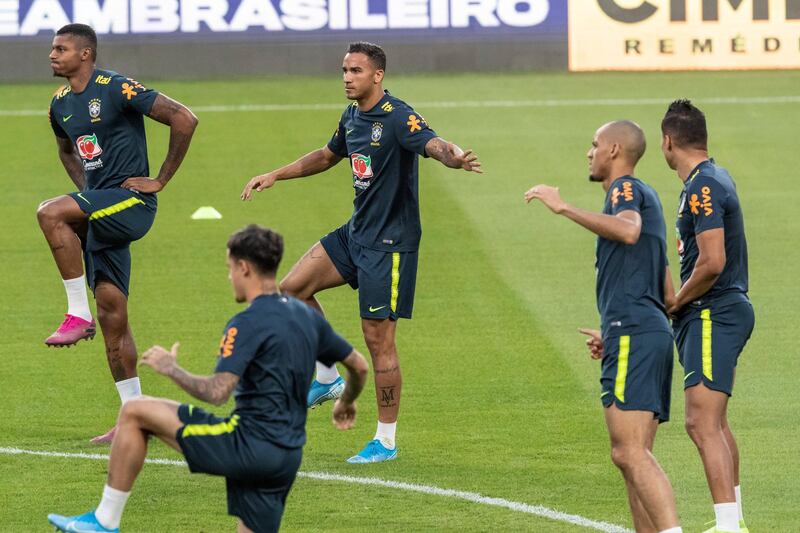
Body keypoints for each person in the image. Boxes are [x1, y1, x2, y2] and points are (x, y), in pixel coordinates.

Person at [240, 42, 482, 463]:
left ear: (377, 76)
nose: (347, 77)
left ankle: (385, 440)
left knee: (379, 342)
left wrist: (455, 158)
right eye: (344, 70)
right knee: (292, 288)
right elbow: (328, 155)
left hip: (389, 244)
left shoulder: (398, 117)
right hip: (357, 233)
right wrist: (275, 174)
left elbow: (434, 143)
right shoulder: (352, 115)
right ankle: (328, 376)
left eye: (355, 70)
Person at [47, 225, 370, 533]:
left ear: (244, 268)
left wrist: (171, 368)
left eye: (230, 267)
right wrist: (345, 402)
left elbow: (217, 392)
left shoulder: (246, 323)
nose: (229, 276)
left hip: (247, 445)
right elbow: (359, 367)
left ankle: (104, 520)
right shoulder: (307, 316)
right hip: (285, 456)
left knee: (135, 411)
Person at [40, 23, 198, 443]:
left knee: (50, 213)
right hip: (101, 207)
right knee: (114, 318)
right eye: (52, 48)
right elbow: (66, 148)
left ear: (86, 54)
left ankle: (76, 313)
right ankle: (133, 418)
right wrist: (87, 192)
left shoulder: (117, 87)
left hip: (133, 203)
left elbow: (184, 118)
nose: (52, 55)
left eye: (61, 48)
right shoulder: (59, 105)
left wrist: (160, 179)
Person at [525, 121, 682, 533]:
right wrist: (615, 332)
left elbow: (628, 231)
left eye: (594, 145)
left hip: (634, 329)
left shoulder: (624, 190)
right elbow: (668, 290)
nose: (589, 152)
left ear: (614, 150)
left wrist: (563, 208)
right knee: (636, 457)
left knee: (628, 454)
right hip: (644, 332)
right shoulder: (648, 198)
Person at [661, 100, 754, 533]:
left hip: (713, 311)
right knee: (714, 421)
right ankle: (733, 521)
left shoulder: (703, 186)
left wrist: (676, 301)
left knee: (700, 421)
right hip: (720, 310)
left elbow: (712, 261)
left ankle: (728, 527)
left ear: (668, 141)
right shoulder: (712, 177)